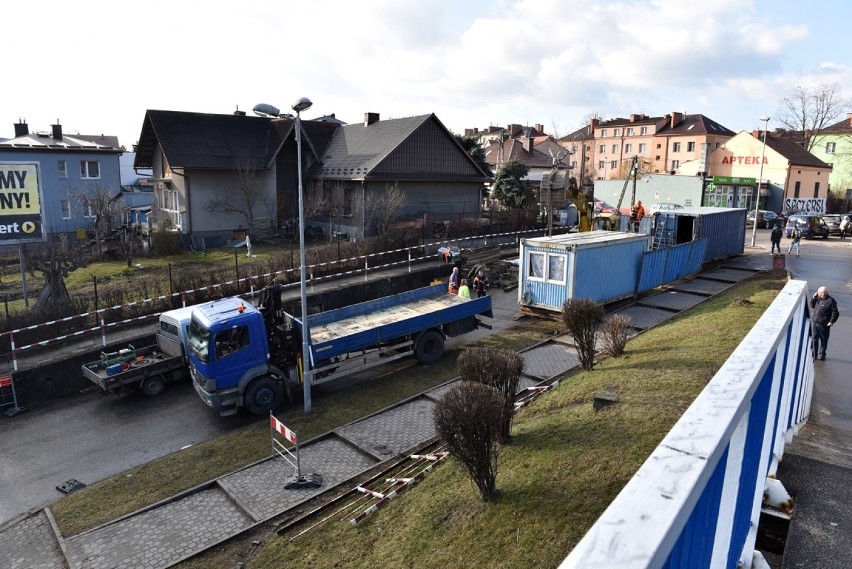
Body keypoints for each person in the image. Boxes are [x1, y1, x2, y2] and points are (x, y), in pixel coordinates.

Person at [810, 286, 839, 360]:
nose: (817, 293)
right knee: (814, 339)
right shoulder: (818, 299)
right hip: (815, 323)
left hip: (824, 324)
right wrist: (814, 298)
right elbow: (812, 305)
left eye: (819, 293)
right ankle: (814, 354)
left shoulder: (831, 301)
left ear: (823, 293)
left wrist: (831, 321)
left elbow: (835, 312)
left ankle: (822, 354)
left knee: (823, 339)